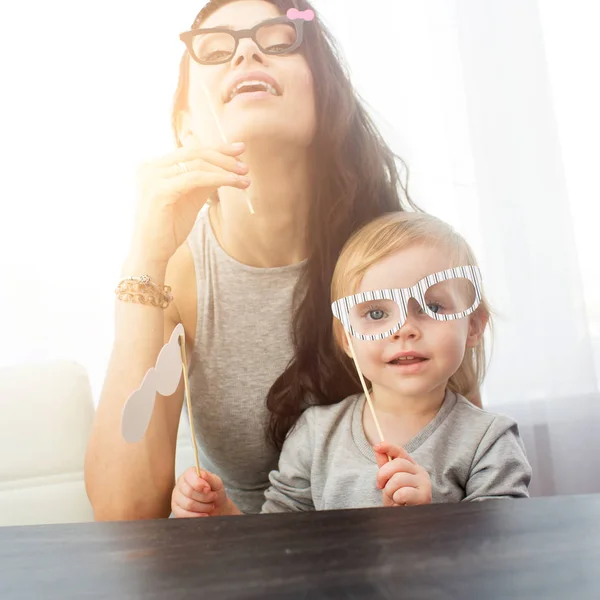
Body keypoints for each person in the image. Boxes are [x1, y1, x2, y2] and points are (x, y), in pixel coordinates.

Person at [83, 0, 475, 520]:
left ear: (323, 93)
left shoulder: (407, 257)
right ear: (186, 129)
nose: (246, 51)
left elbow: (465, 460)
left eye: (277, 39)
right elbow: (123, 516)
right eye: (217, 49)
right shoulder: (172, 275)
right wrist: (145, 256)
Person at [171, 212, 531, 516]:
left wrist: (431, 515)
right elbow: (279, 541)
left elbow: (501, 548)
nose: (404, 329)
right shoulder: (315, 435)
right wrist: (225, 516)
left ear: (473, 325)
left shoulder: (489, 441)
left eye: (433, 307)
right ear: (346, 338)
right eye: (376, 313)